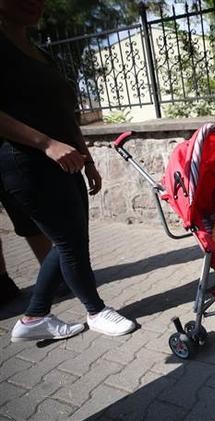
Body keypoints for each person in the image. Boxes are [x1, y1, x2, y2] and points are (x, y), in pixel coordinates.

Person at [0, 0, 135, 342]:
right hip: (26, 162)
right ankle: (95, 311)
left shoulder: (42, 52)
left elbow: (65, 113)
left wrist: (87, 159)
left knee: (69, 240)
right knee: (69, 241)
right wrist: (46, 144)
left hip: (66, 159)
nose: (33, 4)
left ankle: (34, 318)